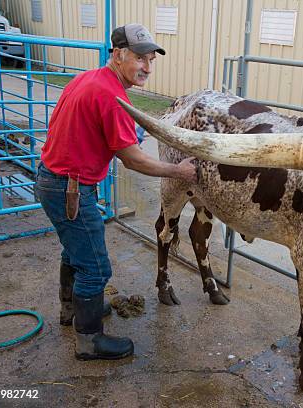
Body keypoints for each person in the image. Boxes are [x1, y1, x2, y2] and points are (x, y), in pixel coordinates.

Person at [34, 24, 197, 361]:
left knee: (75, 251)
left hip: (56, 179)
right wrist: (178, 171)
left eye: (151, 60)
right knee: (95, 267)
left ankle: (72, 310)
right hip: (71, 187)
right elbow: (133, 160)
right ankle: (89, 340)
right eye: (140, 58)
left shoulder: (88, 78)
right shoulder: (111, 96)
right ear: (119, 54)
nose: (147, 68)